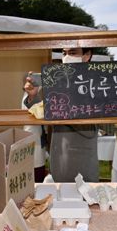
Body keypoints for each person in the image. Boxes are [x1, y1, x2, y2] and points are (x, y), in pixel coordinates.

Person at [24, 47, 99, 182]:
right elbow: (42, 112)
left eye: (73, 53)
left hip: (82, 159)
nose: (67, 57)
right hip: (59, 156)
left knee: (85, 199)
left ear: (87, 55)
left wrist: (60, 110)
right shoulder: (59, 80)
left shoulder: (96, 82)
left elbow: (90, 129)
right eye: (64, 53)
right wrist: (33, 96)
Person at [21, 72, 48, 183]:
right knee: (35, 172)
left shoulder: (42, 92)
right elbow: (36, 110)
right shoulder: (29, 95)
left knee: (39, 167)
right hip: (32, 140)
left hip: (39, 140)